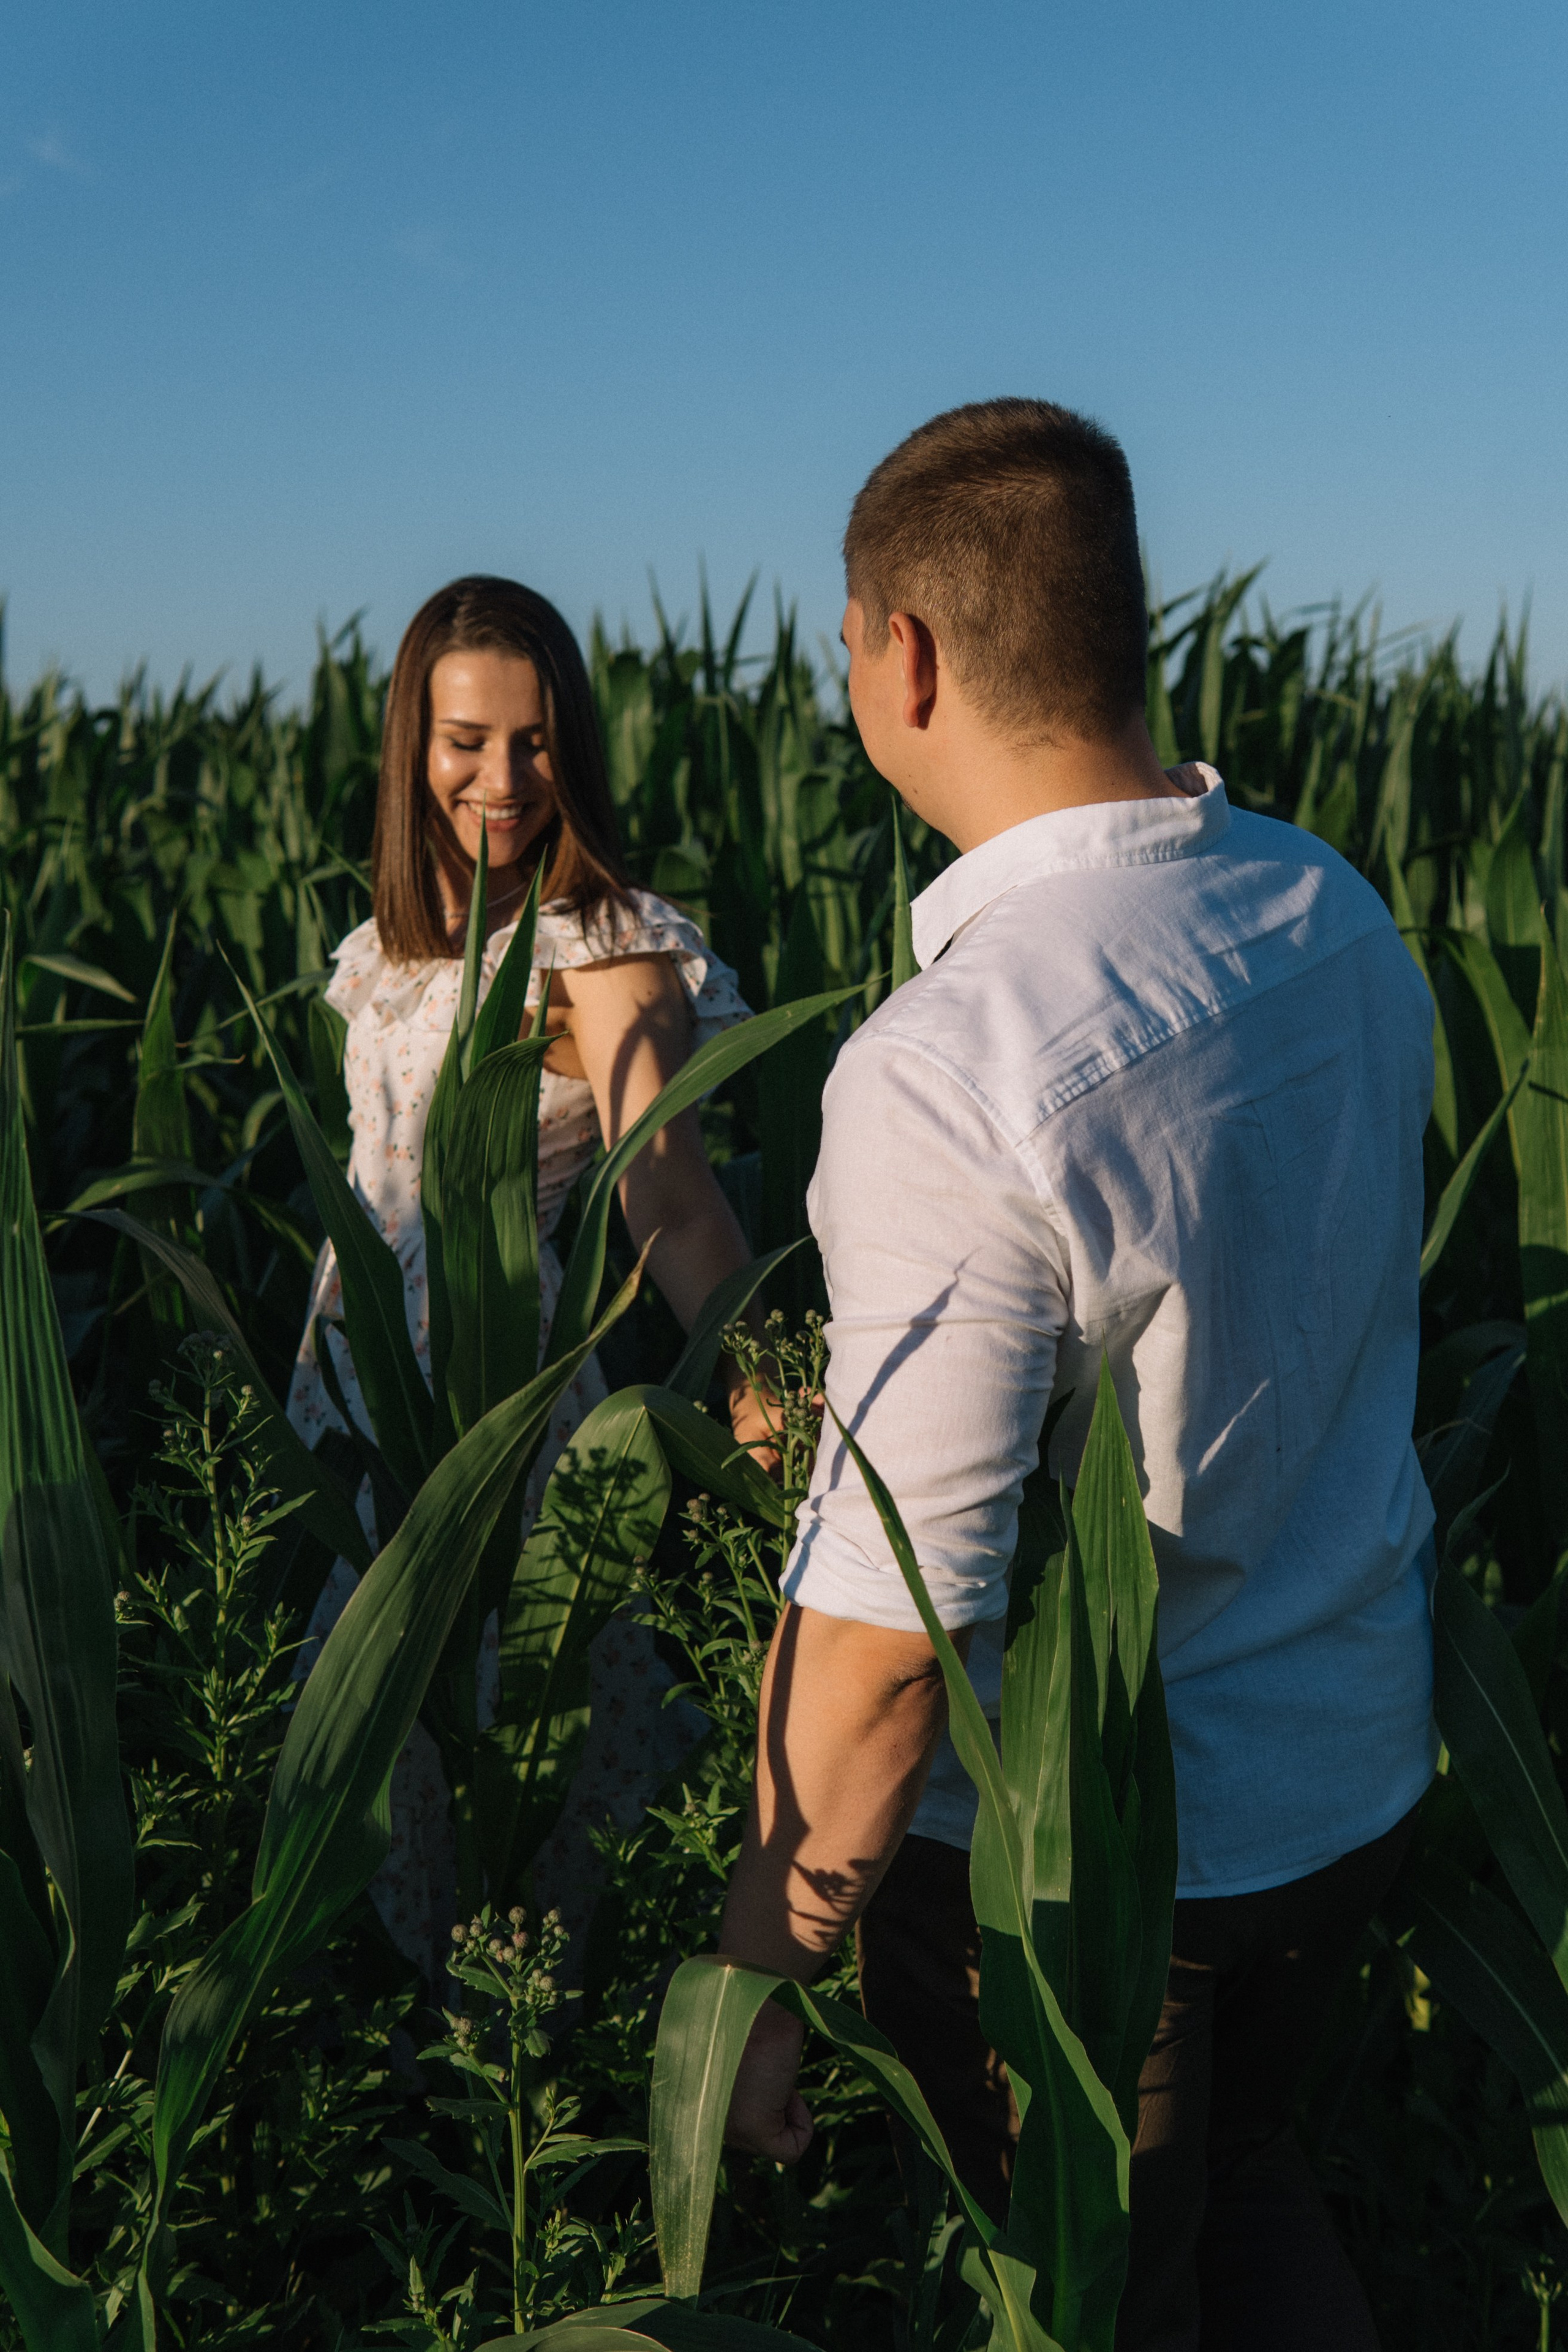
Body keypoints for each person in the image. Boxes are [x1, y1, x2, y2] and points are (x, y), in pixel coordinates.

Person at [716, 402, 1435, 2351]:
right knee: (1254, 2186)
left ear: (914, 656)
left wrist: (752, 1981)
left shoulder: (952, 1067)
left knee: (1096, 2300)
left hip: (1101, 1883)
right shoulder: (1340, 918)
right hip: (1351, 1778)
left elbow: (885, 1646)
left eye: (849, 637)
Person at [287, 574, 768, 1978]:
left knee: (491, 1741)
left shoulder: (602, 948)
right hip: (349, 1374)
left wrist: (750, 1380)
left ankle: (508, 2063)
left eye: (536, 741)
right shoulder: (389, 947)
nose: (500, 779)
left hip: (485, 1389)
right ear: (409, 748)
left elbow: (668, 1195)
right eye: (463, 741)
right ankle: (390, 2074)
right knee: (346, 1737)